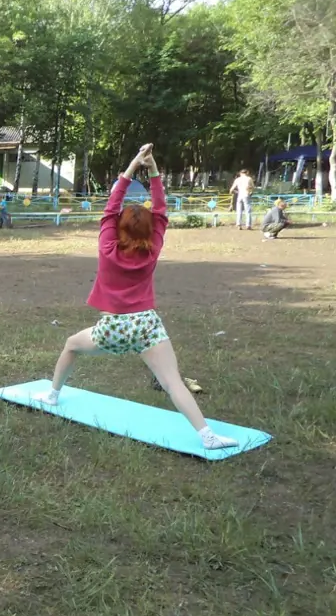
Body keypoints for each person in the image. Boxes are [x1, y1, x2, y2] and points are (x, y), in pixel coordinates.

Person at [32, 144, 238, 451]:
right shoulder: (152, 249)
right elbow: (161, 209)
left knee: (71, 345)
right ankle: (207, 435)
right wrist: (153, 170)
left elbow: (111, 206)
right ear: (150, 230)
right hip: (147, 325)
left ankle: (52, 394)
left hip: (112, 327)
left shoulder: (107, 248)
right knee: (172, 382)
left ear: (118, 228)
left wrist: (132, 167)